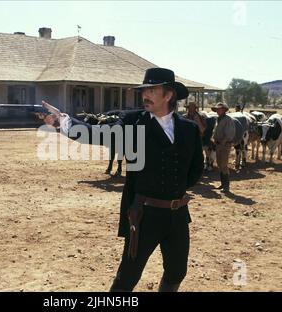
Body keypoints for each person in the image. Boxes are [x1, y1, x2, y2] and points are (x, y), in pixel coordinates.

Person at [42, 68, 204, 292]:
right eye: (144, 90)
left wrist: (171, 191)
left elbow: (196, 170)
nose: (145, 95)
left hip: (178, 215)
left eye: (152, 90)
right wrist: (63, 122)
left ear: (169, 95)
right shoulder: (133, 123)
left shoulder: (189, 129)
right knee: (128, 276)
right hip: (144, 214)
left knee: (177, 271)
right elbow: (97, 133)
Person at [211, 102, 235, 193]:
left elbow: (229, 133)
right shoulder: (218, 119)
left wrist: (223, 142)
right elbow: (215, 131)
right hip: (218, 144)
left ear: (224, 110)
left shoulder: (228, 119)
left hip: (225, 145)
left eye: (219, 109)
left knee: (224, 165)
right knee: (220, 164)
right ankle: (223, 184)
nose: (217, 111)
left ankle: (226, 186)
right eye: (217, 109)